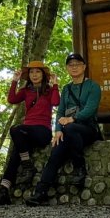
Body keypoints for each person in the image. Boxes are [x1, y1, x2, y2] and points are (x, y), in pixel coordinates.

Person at [24, 52, 102, 207]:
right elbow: (60, 112)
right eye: (70, 65)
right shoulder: (66, 89)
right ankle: (40, 193)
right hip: (68, 131)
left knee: (71, 128)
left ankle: (79, 167)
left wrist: (72, 119)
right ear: (67, 68)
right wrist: (58, 130)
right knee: (55, 153)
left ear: (84, 67)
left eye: (77, 64)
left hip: (88, 129)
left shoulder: (93, 86)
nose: (74, 68)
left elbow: (90, 109)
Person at [0, 60, 60, 206]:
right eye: (31, 72)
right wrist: (14, 81)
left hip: (43, 131)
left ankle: (28, 166)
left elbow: (56, 101)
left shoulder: (48, 90)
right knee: (16, 152)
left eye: (37, 72)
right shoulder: (26, 91)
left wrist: (55, 85)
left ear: (43, 74)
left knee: (15, 129)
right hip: (26, 133)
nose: (34, 75)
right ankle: (4, 191)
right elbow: (12, 99)